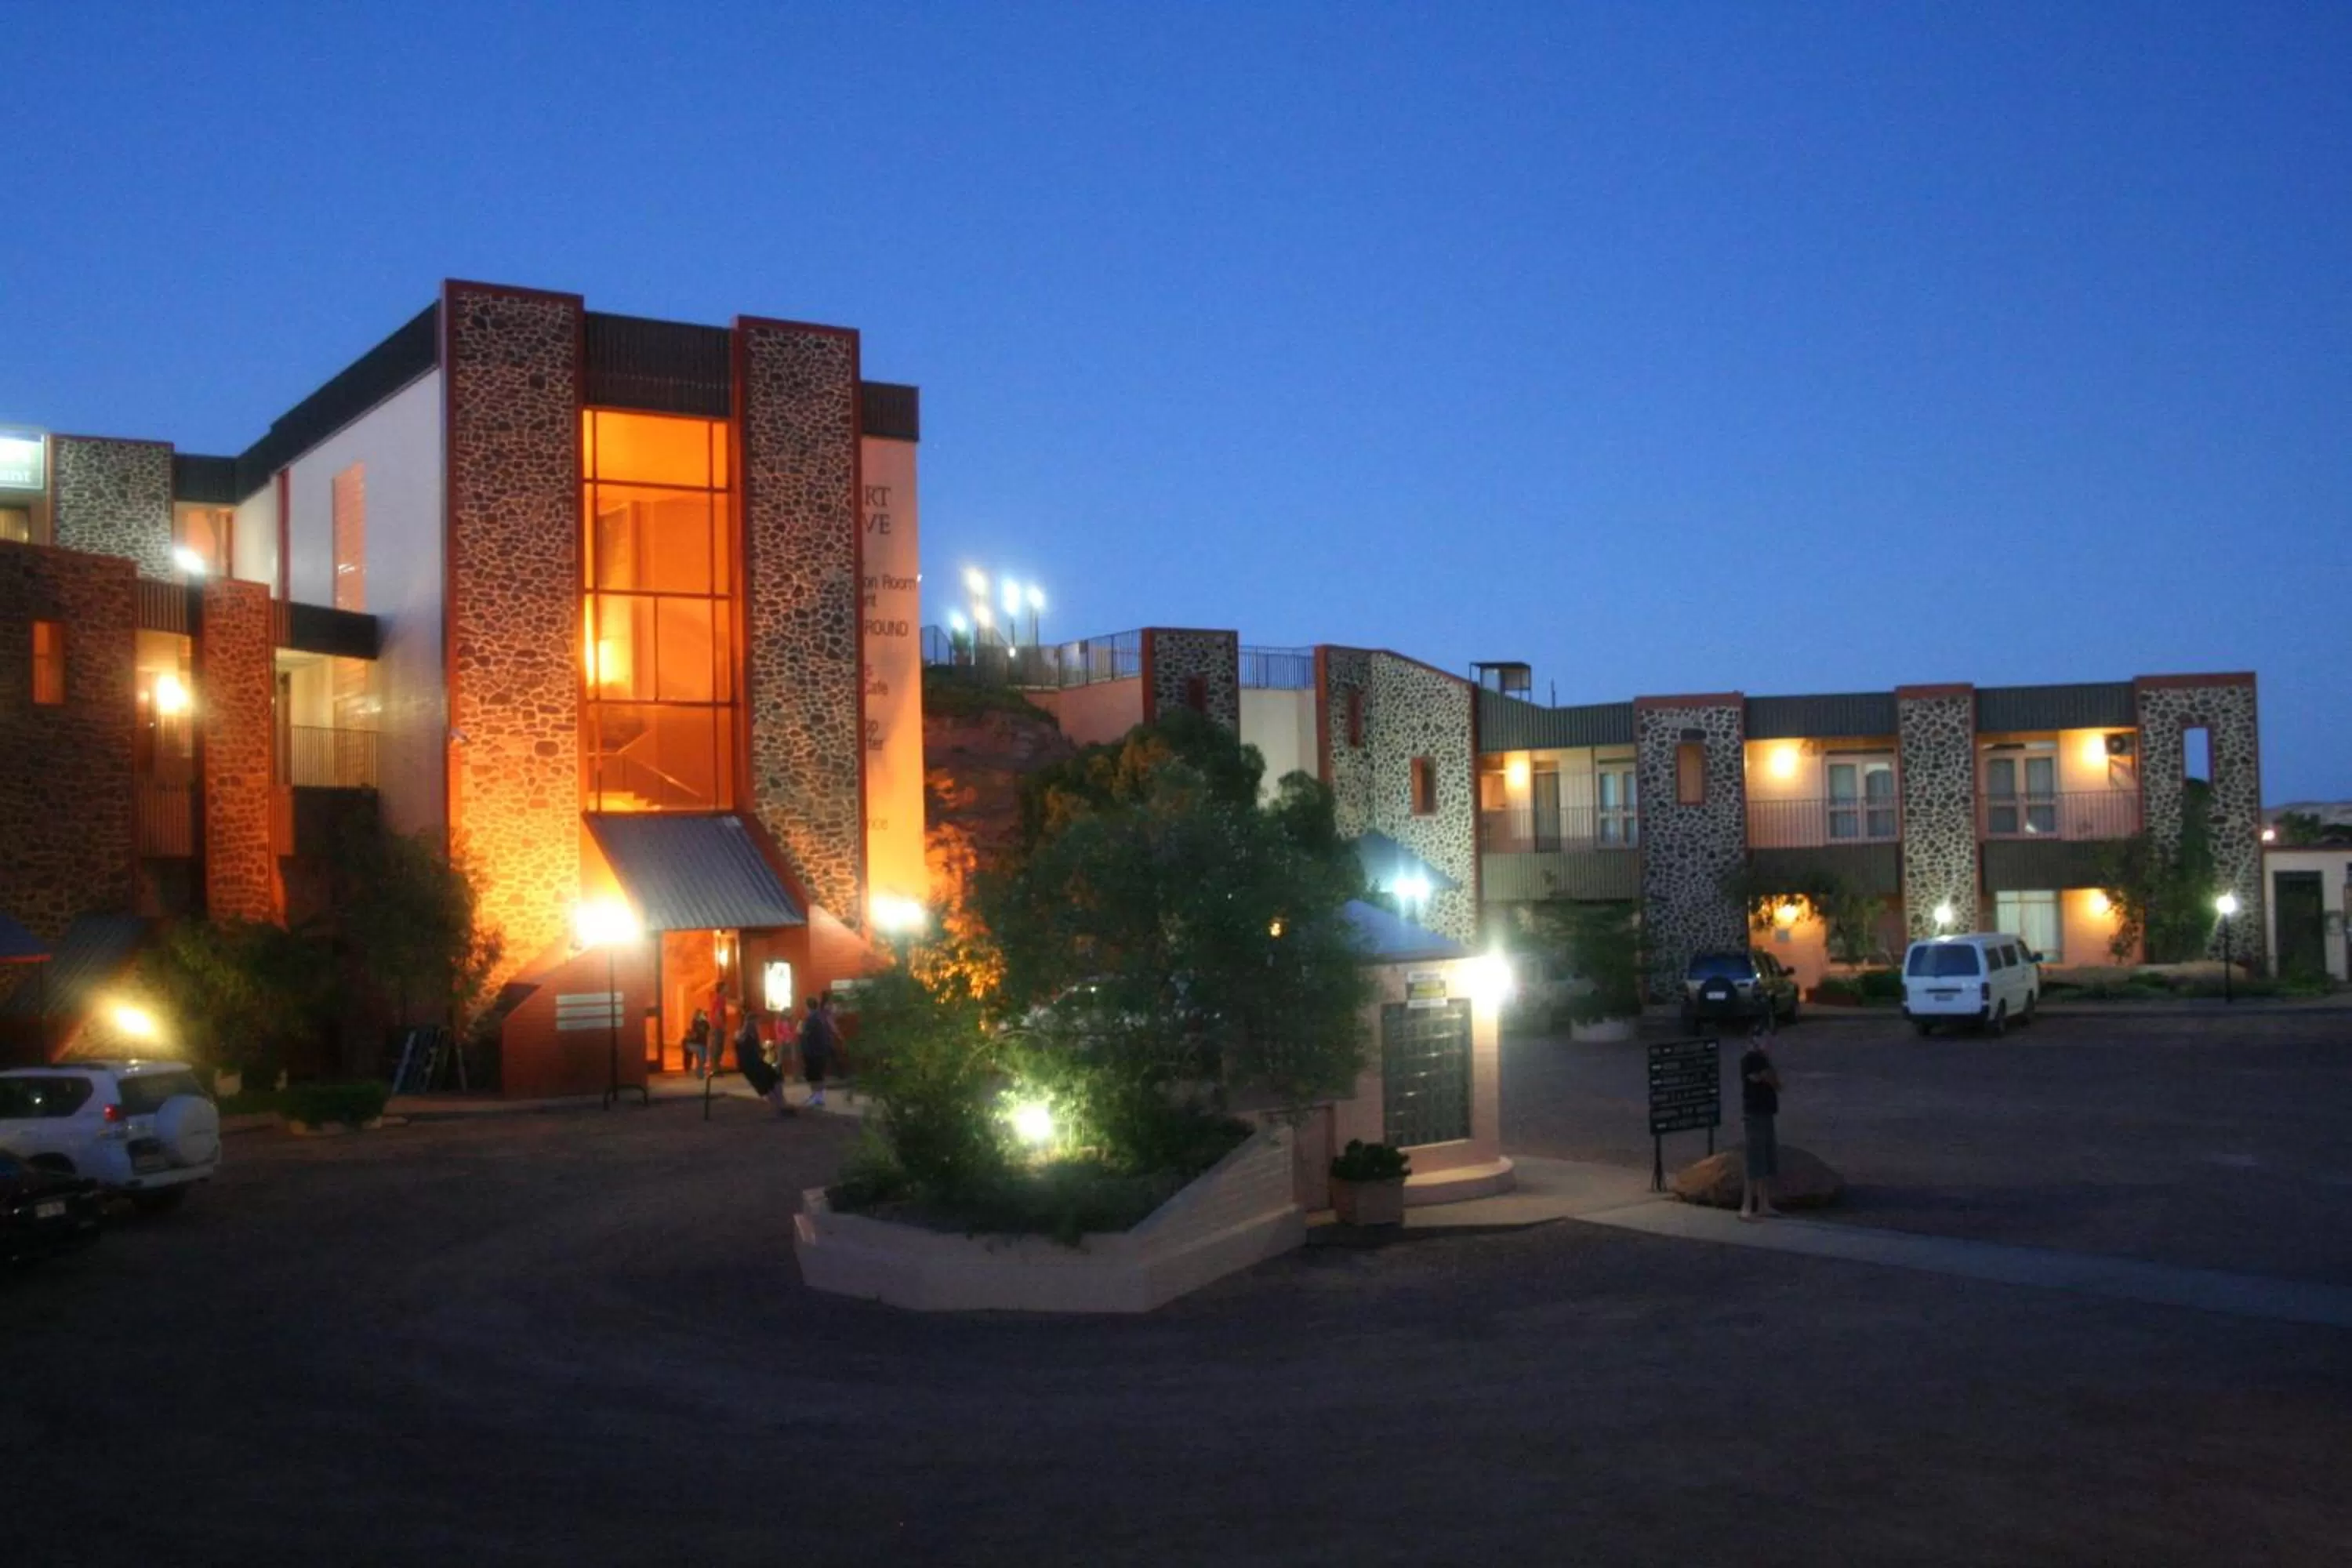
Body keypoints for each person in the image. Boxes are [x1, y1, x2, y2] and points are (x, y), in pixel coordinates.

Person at [1739, 1022, 1783, 1221]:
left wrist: (1769, 1077)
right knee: (1754, 1160)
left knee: (1765, 1158)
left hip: (1766, 1113)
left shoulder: (1764, 1060)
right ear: (1755, 1040)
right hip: (1754, 1114)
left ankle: (1764, 1204)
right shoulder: (1751, 1059)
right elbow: (1766, 1079)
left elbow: (1774, 1082)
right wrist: (1768, 1077)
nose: (1770, 1043)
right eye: (1765, 1039)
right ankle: (1747, 1206)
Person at [735, 1007, 789, 1115]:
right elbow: (754, 1052)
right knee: (771, 1079)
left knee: (770, 1080)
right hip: (753, 1065)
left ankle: (779, 1104)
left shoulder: (741, 1036)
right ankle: (780, 1104)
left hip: (750, 1065)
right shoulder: (749, 1036)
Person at [799, 993, 839, 1109]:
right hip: (821, 1049)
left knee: (814, 1074)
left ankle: (817, 1096)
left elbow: (806, 1034)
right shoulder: (821, 1017)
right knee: (818, 1074)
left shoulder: (812, 1018)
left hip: (813, 1050)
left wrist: (801, 1032)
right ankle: (817, 1096)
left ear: (807, 1006)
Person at [681, 1009, 711, 1079]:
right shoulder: (695, 1022)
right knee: (700, 1057)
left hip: (703, 1043)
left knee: (703, 1058)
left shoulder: (705, 1023)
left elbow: (708, 1030)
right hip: (698, 1043)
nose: (703, 1016)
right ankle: (699, 1073)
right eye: (701, 1014)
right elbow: (696, 1032)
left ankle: (699, 1072)